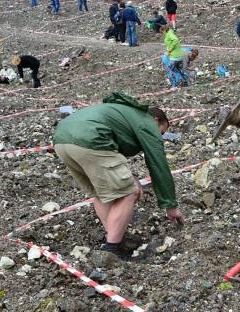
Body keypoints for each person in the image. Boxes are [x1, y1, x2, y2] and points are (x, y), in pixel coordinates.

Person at [53, 92, 183, 258]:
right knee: (130, 191)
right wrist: (170, 204)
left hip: (62, 140)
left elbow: (113, 152)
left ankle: (114, 237)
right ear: (156, 120)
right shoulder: (147, 122)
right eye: (162, 132)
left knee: (102, 193)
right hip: (90, 139)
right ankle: (112, 250)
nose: (161, 137)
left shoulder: (123, 112)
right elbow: (158, 163)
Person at [161, 24, 182, 90]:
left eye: (162, 32)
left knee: (172, 70)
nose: (162, 33)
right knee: (177, 69)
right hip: (176, 55)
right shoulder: (169, 33)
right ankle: (184, 81)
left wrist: (170, 49)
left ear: (164, 30)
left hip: (175, 56)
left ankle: (174, 85)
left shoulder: (169, 34)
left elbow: (175, 40)